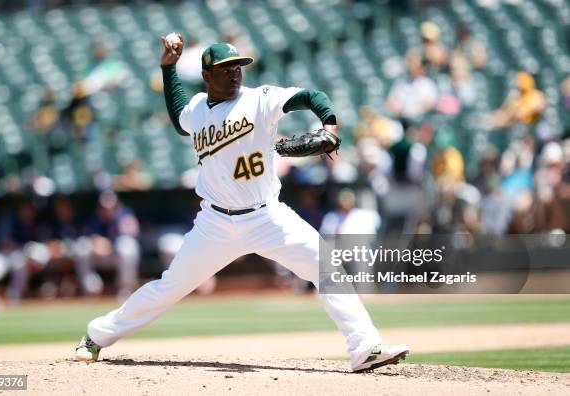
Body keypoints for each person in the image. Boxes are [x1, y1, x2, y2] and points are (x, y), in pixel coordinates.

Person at [75, 34, 408, 372]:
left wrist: (330, 125)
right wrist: (168, 68)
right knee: (168, 287)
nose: (234, 73)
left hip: (268, 217)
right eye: (225, 68)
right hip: (214, 224)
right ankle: (96, 337)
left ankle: (364, 349)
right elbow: (178, 117)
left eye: (237, 67)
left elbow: (311, 96)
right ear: (207, 76)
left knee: (326, 267)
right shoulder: (197, 111)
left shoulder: (260, 99)